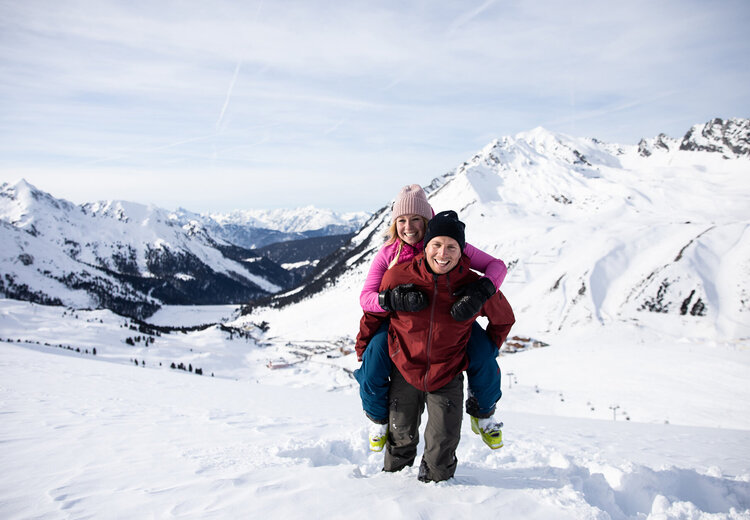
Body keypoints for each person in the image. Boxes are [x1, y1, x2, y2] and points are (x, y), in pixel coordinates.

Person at [356, 210, 515, 482]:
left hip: (448, 373)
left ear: (462, 251)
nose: (443, 253)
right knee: (400, 442)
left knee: (442, 450)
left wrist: (486, 347)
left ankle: (438, 497)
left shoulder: (472, 284)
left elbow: (503, 318)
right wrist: (365, 346)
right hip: (405, 369)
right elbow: (371, 313)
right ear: (425, 247)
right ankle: (390, 495)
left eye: (451, 247)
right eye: (437, 245)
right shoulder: (397, 276)